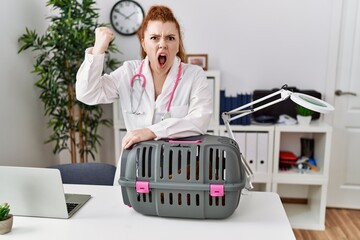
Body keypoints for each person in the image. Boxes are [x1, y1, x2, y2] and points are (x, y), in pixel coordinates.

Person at [76, 5, 213, 184]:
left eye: (170, 38)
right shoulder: (128, 73)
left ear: (178, 44)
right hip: (135, 170)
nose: (162, 44)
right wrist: (97, 51)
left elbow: (199, 121)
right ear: (143, 43)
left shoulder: (194, 75)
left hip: (178, 174)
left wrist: (150, 131)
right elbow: (87, 94)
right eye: (154, 38)